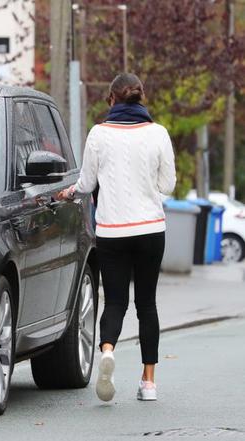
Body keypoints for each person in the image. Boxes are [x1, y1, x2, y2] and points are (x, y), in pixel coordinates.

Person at [58, 73, 176, 402]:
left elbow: (85, 184)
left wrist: (68, 192)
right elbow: (168, 185)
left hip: (112, 231)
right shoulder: (158, 134)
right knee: (147, 304)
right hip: (150, 229)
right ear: (142, 98)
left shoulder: (99, 134)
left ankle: (107, 350)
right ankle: (149, 382)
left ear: (111, 99)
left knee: (114, 302)